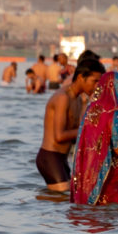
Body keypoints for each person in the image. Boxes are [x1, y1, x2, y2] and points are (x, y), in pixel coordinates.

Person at [36, 53, 106, 191]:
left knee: (69, 201)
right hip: (50, 157)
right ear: (81, 77)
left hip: (62, 159)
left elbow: (77, 134)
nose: (98, 86)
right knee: (62, 199)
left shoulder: (79, 99)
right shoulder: (63, 98)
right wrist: (89, 129)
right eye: (95, 81)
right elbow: (60, 136)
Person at [71, 72, 118, 205]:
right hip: (110, 180)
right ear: (113, 90)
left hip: (91, 179)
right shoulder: (112, 112)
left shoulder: (92, 109)